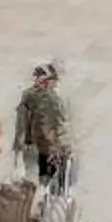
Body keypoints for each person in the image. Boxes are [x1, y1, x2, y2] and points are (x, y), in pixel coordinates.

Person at [17, 62, 72, 194]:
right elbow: (60, 126)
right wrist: (64, 147)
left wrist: (19, 143)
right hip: (49, 147)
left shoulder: (28, 96)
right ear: (48, 82)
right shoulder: (54, 100)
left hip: (33, 145)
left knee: (35, 180)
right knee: (51, 182)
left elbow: (21, 123)